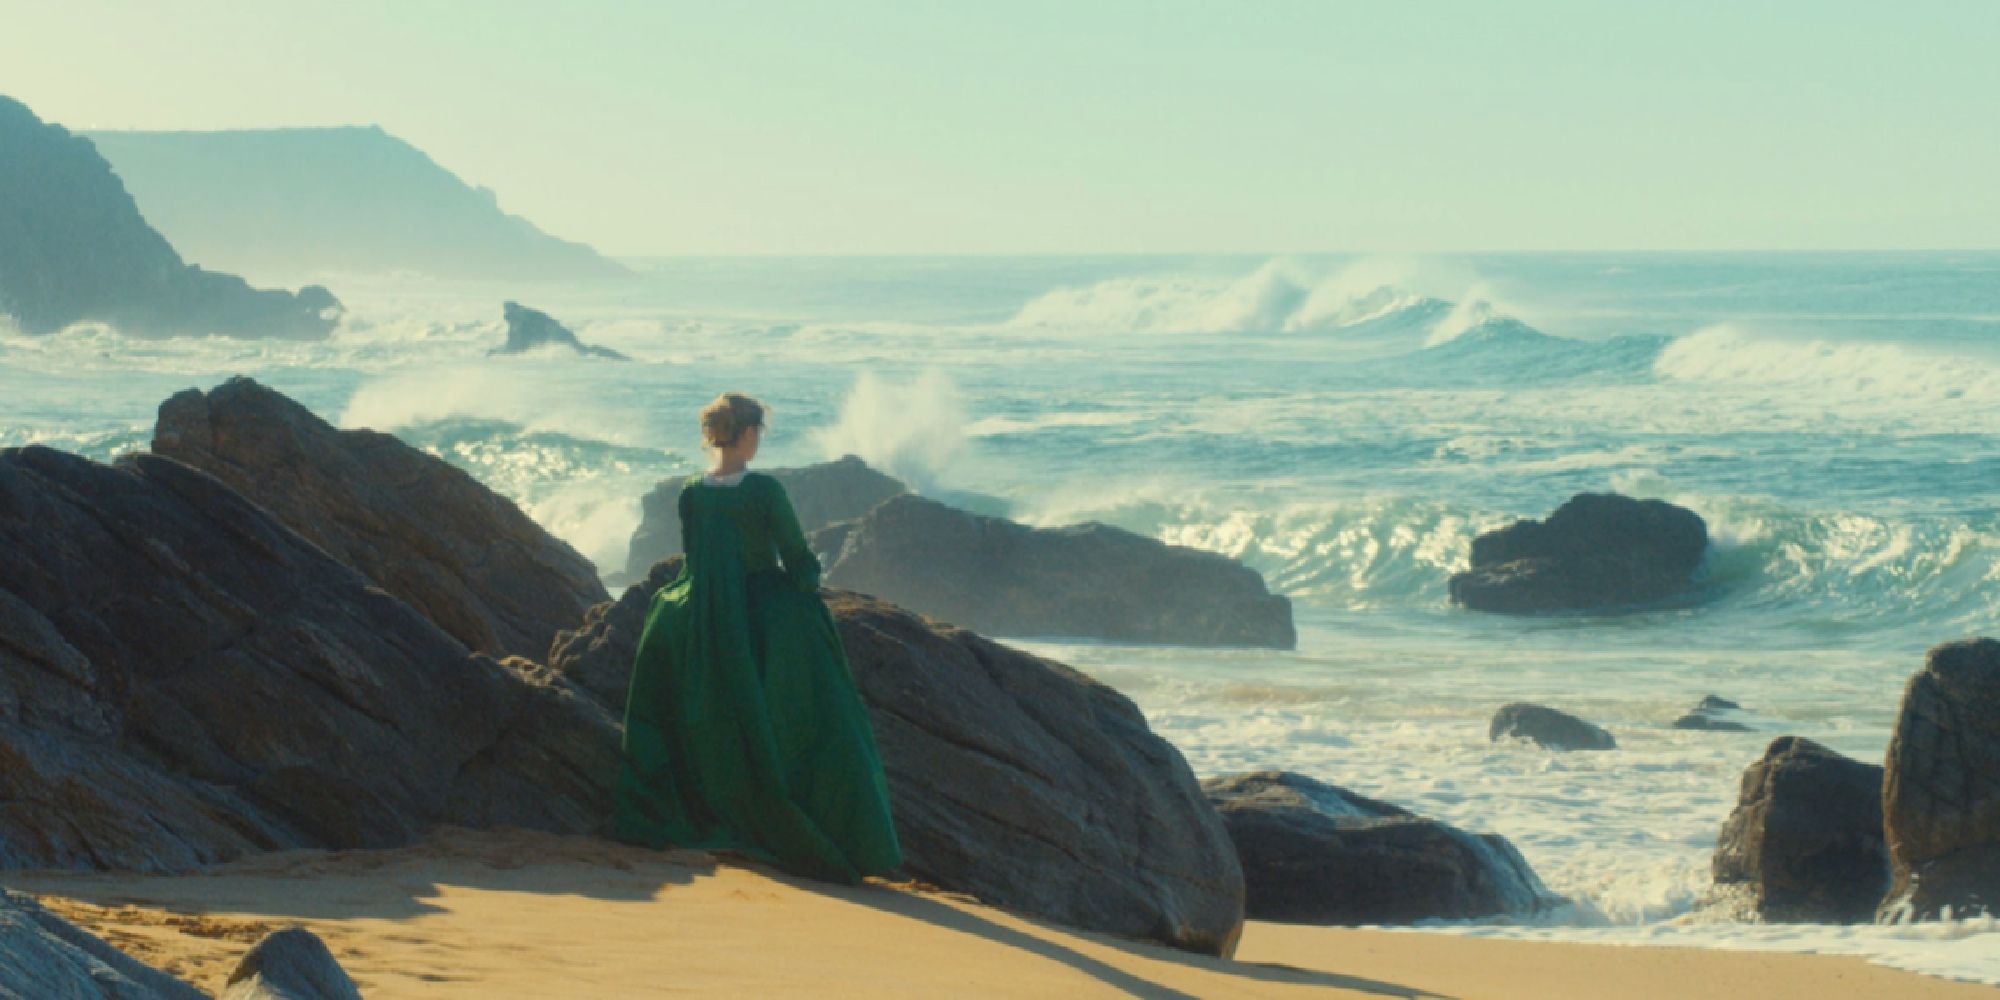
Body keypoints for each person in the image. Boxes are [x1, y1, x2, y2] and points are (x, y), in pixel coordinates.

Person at [613, 393, 902, 884]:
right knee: (830, 715)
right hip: (760, 609)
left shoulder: (692, 492)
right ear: (747, 434)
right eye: (759, 432)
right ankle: (842, 834)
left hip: (705, 609)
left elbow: (694, 561)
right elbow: (795, 555)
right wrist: (810, 588)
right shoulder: (764, 490)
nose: (759, 441)